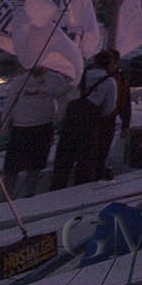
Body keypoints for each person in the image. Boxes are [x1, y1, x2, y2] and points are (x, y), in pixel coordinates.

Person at [0, 64, 71, 197]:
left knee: (35, 166)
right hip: (20, 127)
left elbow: (62, 101)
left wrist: (60, 119)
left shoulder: (56, 79)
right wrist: (4, 127)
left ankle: (29, 194)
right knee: (11, 167)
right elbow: (9, 104)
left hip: (43, 126)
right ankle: (7, 196)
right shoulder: (20, 80)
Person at [51, 51, 118, 190]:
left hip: (71, 120)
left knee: (64, 159)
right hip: (90, 124)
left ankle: (56, 188)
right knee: (86, 160)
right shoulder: (109, 82)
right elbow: (109, 108)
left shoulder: (79, 76)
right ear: (110, 64)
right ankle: (81, 190)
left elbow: (63, 93)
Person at [92, 49, 129, 179]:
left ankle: (97, 173)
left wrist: (126, 123)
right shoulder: (99, 77)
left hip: (108, 119)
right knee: (94, 150)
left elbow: (125, 100)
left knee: (102, 150)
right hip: (96, 119)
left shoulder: (120, 77)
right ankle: (92, 175)